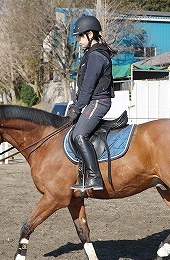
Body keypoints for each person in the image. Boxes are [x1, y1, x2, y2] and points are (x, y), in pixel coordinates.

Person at [68, 15, 116, 191]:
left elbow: (88, 86)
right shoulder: (91, 54)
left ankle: (95, 178)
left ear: (90, 34)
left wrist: (78, 108)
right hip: (93, 101)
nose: (78, 41)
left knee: (79, 135)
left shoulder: (96, 56)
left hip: (99, 101)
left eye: (80, 36)